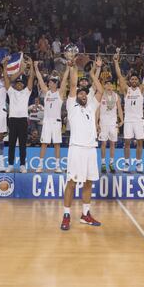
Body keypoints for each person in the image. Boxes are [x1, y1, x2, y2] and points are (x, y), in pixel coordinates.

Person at [61, 62, 103, 231]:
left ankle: (86, 214)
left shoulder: (92, 106)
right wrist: (73, 67)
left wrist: (94, 73)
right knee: (71, 183)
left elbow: (100, 91)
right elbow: (72, 85)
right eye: (80, 93)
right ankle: (66, 215)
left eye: (85, 93)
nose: (83, 95)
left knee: (88, 183)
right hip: (76, 149)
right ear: (76, 96)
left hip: (91, 149)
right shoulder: (72, 106)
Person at [114, 50, 144, 172]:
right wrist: (116, 62)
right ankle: (126, 164)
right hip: (128, 120)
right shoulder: (126, 90)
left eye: (136, 79)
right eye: (132, 80)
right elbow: (120, 76)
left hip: (139, 120)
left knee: (140, 142)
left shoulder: (141, 89)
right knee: (127, 142)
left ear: (138, 81)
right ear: (130, 81)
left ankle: (138, 163)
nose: (134, 81)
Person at [34, 62, 69, 173]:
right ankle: (40, 165)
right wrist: (36, 68)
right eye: (49, 82)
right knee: (44, 143)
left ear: (55, 84)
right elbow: (39, 80)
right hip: (47, 121)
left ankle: (57, 166)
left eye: (51, 82)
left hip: (56, 122)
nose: (49, 83)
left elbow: (64, 82)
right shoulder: (46, 92)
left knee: (57, 144)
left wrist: (68, 67)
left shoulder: (60, 93)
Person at [3, 58, 34, 173]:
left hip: (22, 120)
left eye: (21, 83)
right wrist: (5, 66)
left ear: (23, 85)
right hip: (12, 120)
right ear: (15, 85)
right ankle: (10, 164)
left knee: (22, 144)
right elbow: (6, 79)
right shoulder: (11, 92)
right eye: (18, 83)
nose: (19, 85)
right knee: (11, 143)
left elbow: (31, 79)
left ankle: (22, 165)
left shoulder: (27, 92)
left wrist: (31, 67)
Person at [96, 79, 123, 173]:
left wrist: (122, 120)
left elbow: (119, 108)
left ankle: (111, 163)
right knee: (103, 143)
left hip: (113, 123)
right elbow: (98, 110)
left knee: (112, 143)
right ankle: (103, 164)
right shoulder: (101, 95)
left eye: (110, 84)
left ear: (113, 86)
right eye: (107, 84)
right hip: (103, 122)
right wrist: (96, 122)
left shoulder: (116, 96)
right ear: (104, 86)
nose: (109, 85)